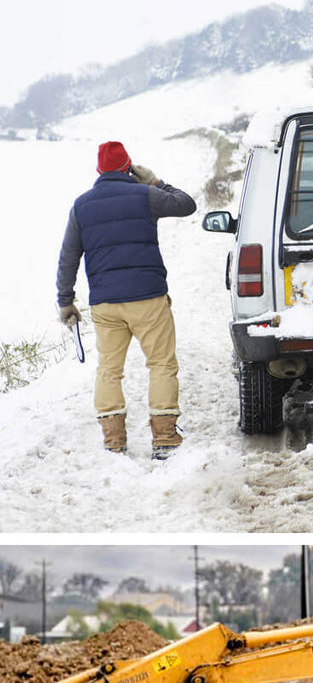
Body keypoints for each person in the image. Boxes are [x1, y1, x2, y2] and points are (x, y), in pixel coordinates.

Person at [56, 140, 196, 458]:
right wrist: (155, 181)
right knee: (160, 364)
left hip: (105, 303)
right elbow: (186, 204)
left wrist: (66, 300)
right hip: (148, 298)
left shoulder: (81, 205)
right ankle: (165, 438)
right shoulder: (146, 195)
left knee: (108, 369)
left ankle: (113, 441)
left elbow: (68, 256)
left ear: (98, 170)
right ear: (128, 167)